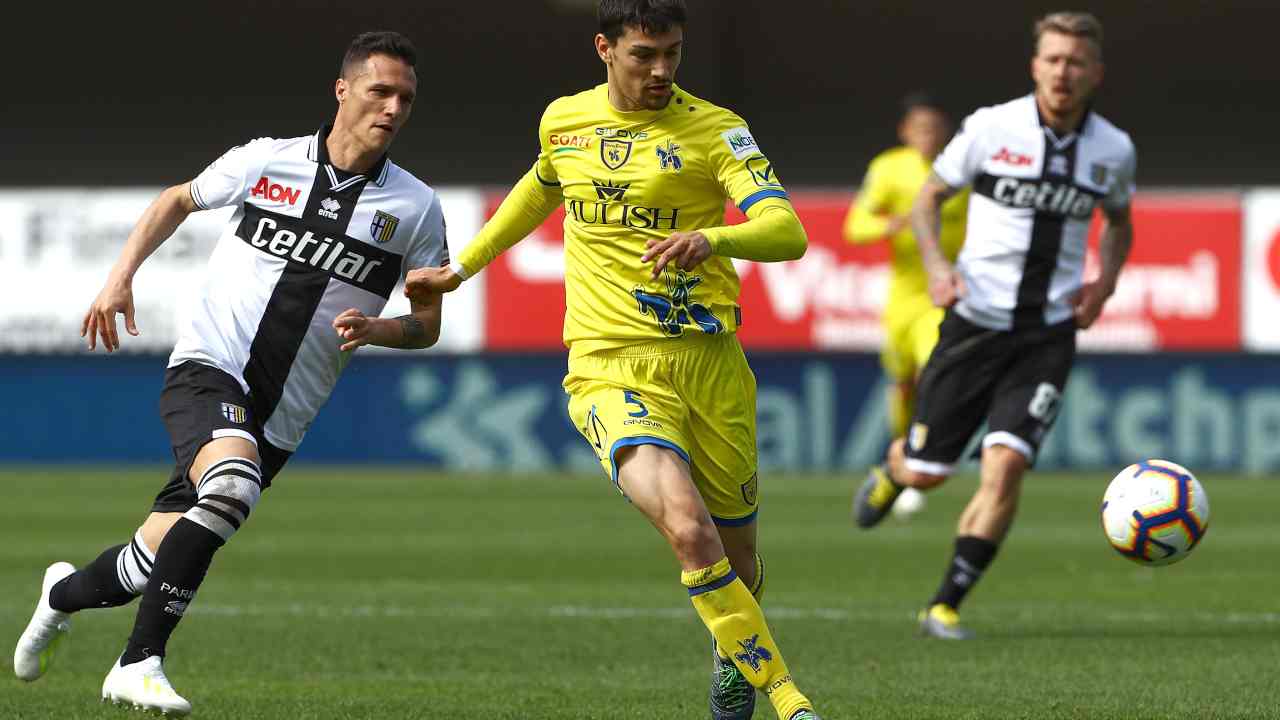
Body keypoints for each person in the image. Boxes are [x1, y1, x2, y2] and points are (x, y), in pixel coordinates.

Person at [13, 31, 448, 715]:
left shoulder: (415, 209)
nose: (393, 108)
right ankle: (138, 663)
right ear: (343, 90)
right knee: (232, 484)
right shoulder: (265, 162)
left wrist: (380, 329)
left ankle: (59, 595)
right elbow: (177, 200)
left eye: (406, 98)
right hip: (208, 370)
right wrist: (119, 278)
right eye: (379, 91)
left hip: (282, 415)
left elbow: (426, 326)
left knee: (144, 560)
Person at [405, 3, 819, 718]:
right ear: (605, 48)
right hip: (610, 362)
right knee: (689, 531)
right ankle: (788, 698)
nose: (661, 70)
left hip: (709, 363)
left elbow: (788, 232)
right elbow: (540, 186)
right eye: (644, 55)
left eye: (673, 54)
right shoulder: (564, 120)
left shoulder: (716, 129)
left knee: (738, 560)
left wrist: (713, 240)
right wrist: (462, 267)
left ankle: (731, 655)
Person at [853, 11, 1135, 639]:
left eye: (1076, 62)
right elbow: (928, 199)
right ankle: (897, 469)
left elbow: (1119, 222)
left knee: (1006, 465)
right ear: (1036, 65)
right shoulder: (991, 129)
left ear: (1095, 74)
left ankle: (946, 603)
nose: (1064, 71)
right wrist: (934, 265)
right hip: (974, 322)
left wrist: (1105, 283)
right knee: (931, 471)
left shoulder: (1113, 150)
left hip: (1049, 332)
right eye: (1054, 59)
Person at [844, 93, 969, 523]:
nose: (927, 137)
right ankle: (902, 458)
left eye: (935, 128)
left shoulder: (961, 171)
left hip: (943, 293)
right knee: (902, 383)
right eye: (919, 128)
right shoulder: (889, 169)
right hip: (902, 298)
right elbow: (854, 226)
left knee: (933, 364)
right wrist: (891, 223)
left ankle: (923, 455)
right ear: (905, 132)